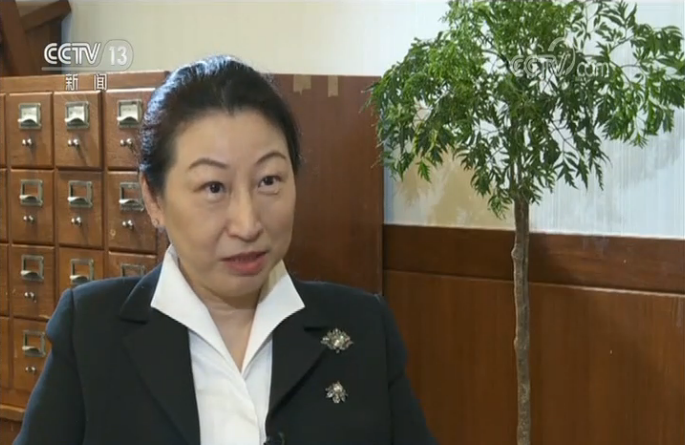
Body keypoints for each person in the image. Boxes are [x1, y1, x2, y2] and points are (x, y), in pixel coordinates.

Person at [14, 55, 438, 445]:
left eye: (269, 181)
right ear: (153, 198)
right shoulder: (90, 333)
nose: (248, 224)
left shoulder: (363, 328)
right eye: (213, 187)